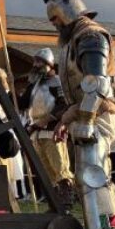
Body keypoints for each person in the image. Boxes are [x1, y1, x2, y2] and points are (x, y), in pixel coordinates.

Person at [42, 0, 115, 229]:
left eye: (56, 18)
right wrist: (67, 119)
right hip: (87, 113)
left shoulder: (90, 36)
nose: (55, 25)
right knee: (94, 176)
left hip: (98, 114)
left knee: (91, 175)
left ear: (68, 12)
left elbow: (96, 84)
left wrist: (86, 120)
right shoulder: (76, 38)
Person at [19, 48, 73, 203]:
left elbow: (64, 105)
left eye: (39, 62)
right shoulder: (34, 85)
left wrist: (47, 120)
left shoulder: (57, 82)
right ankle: (54, 202)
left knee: (60, 168)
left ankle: (66, 201)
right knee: (46, 172)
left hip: (53, 130)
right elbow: (22, 104)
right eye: (35, 61)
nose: (35, 65)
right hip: (36, 132)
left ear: (48, 64)